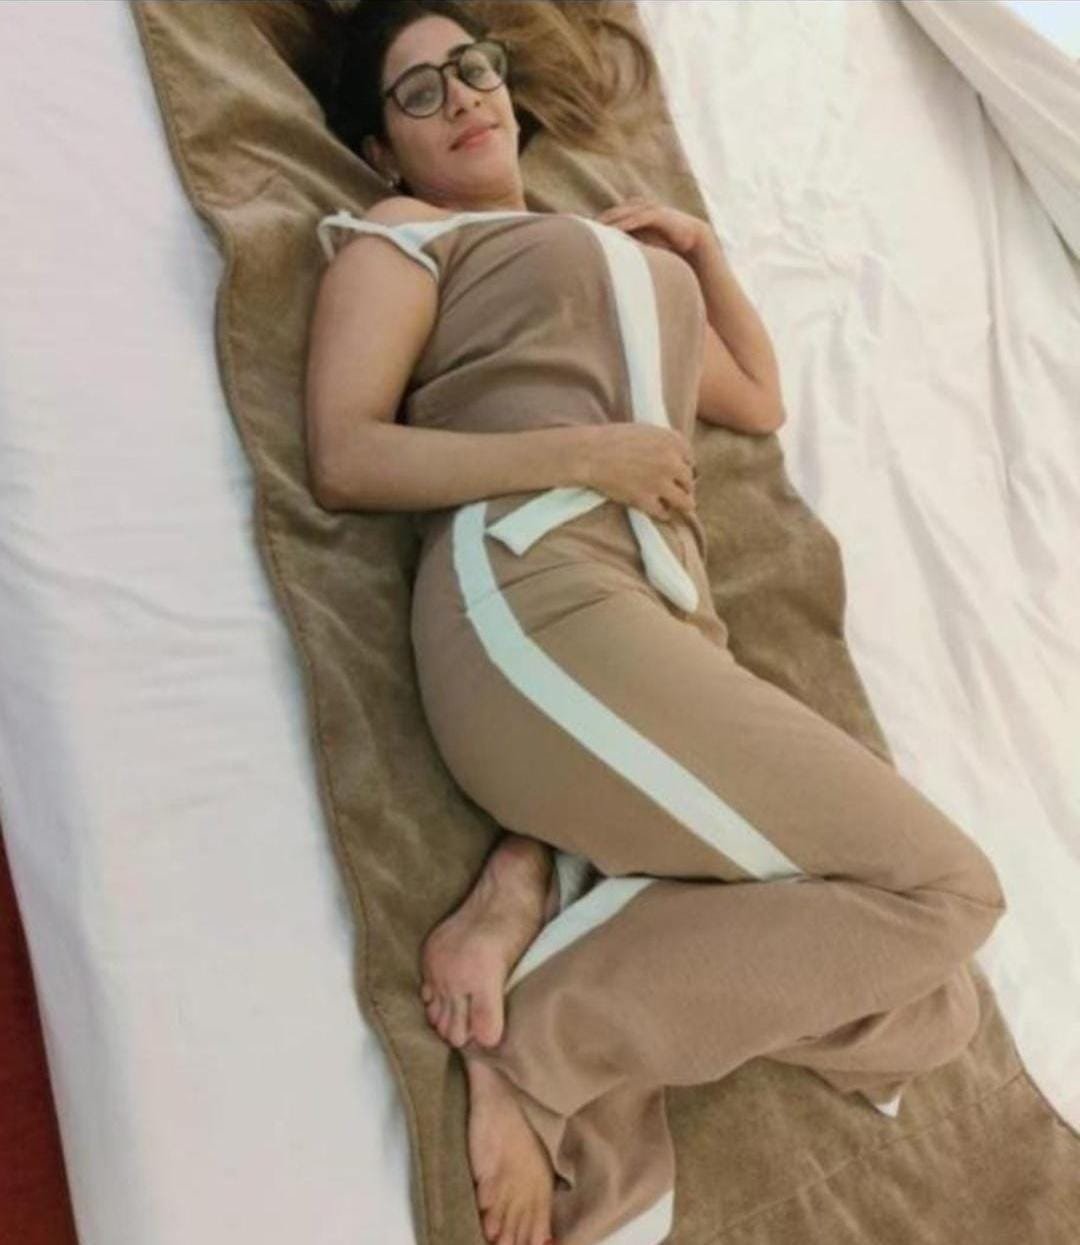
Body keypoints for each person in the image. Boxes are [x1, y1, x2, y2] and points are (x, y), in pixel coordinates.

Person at [306, 5, 1009, 1245]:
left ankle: (529, 887)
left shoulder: (603, 245)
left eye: (474, 68)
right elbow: (346, 456)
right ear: (380, 148)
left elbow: (760, 399)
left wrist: (701, 257)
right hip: (532, 601)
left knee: (935, 1006)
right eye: (420, 93)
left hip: (657, 626)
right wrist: (587, 454)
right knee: (946, 892)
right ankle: (536, 1039)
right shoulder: (408, 236)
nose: (462, 97)